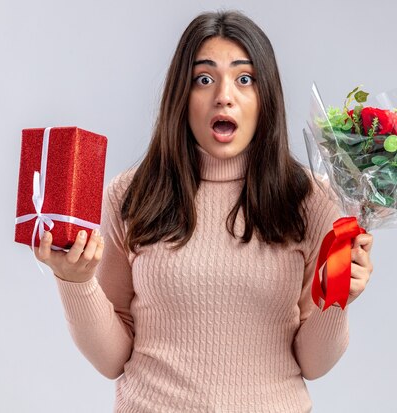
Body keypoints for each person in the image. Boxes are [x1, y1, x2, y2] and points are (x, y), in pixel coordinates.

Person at [35, 10, 374, 413]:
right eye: (204, 79)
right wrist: (74, 281)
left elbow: (314, 364)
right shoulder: (131, 194)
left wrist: (338, 297)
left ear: (266, 97)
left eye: (244, 79)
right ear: (182, 95)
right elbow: (112, 360)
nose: (224, 95)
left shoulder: (311, 201)